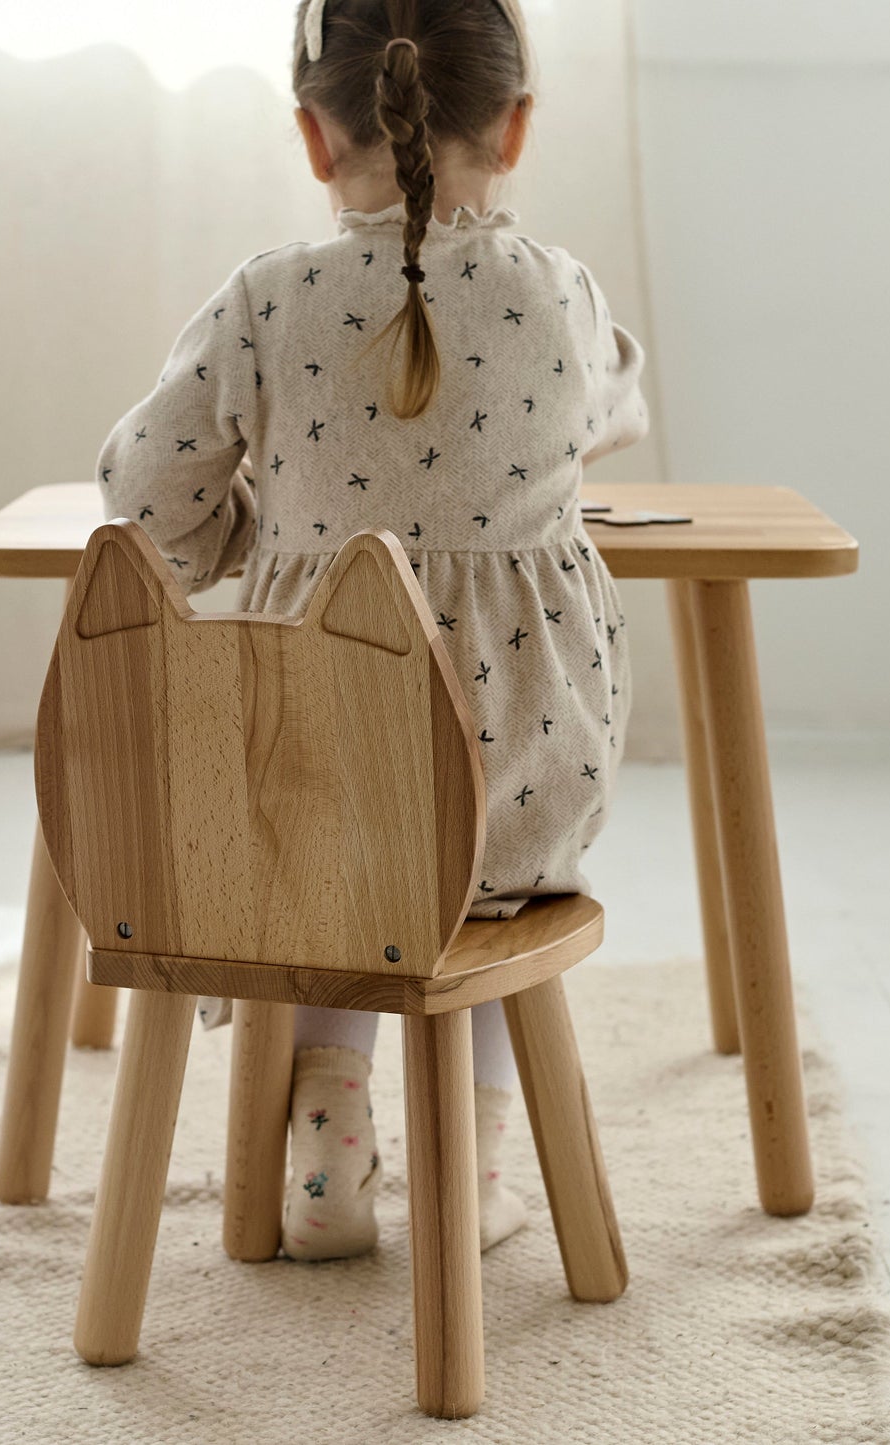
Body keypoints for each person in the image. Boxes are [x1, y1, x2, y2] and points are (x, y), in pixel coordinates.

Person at [97, 0, 649, 1261]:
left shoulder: (265, 298)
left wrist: (256, 547)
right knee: (491, 911)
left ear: (310, 134)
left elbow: (144, 490)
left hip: (308, 778)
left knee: (330, 878)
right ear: (512, 126)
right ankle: (475, 1166)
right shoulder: (557, 291)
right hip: (520, 786)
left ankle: (327, 1158)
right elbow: (610, 402)